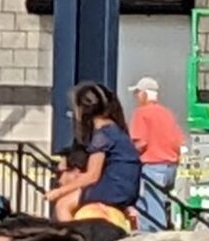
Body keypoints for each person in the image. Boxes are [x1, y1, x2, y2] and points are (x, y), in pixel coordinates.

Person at [45, 81, 142, 232]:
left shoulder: (102, 135)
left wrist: (58, 192)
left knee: (63, 205)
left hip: (114, 188)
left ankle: (75, 236)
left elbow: (92, 175)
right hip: (128, 189)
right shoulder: (116, 129)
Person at [127, 80, 184, 232]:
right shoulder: (167, 114)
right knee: (149, 204)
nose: (136, 97)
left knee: (153, 207)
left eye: (137, 93)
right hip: (170, 167)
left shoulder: (141, 113)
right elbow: (178, 141)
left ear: (145, 94)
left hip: (153, 166)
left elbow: (141, 142)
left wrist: (127, 155)